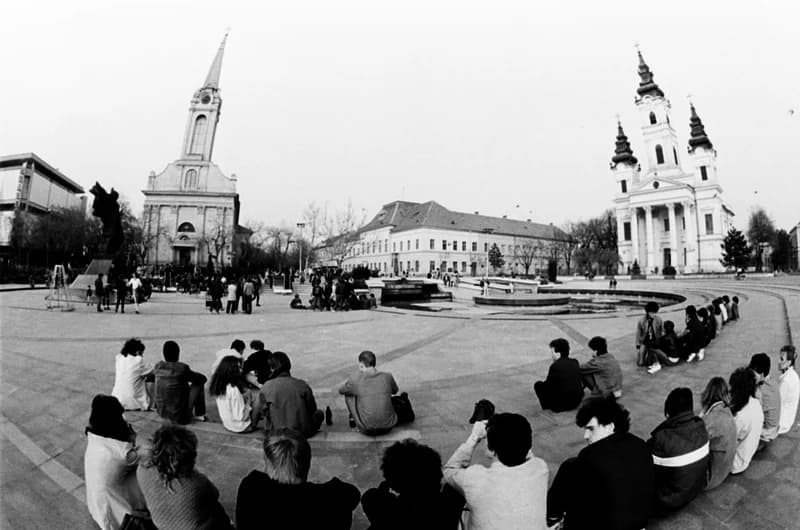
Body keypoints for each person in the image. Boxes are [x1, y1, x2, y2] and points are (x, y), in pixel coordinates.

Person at [547, 396, 654, 530]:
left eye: (591, 429)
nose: (585, 436)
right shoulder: (640, 445)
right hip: (639, 523)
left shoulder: (589, 457)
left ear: (610, 427)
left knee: (569, 468)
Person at [236, 429, 360, 530]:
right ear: (308, 463)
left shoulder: (252, 486)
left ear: (268, 463)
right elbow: (352, 493)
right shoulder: (328, 499)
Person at [444, 413, 548, 530]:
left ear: (491, 450)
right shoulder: (540, 468)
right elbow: (526, 449)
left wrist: (474, 437)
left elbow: (449, 469)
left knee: (451, 489)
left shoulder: (476, 478)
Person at [137, 425, 233, 530]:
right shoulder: (197, 483)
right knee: (216, 508)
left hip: (162, 526)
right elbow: (215, 494)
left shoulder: (142, 471)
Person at [362, 439, 465, 530]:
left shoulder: (388, 513)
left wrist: (382, 491)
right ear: (437, 475)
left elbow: (369, 499)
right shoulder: (450, 505)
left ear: (393, 484)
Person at [84, 395, 148, 530]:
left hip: (96, 504)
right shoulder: (122, 454)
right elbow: (150, 451)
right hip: (116, 517)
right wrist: (134, 435)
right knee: (146, 470)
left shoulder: (94, 436)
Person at [647, 387, 709, 513]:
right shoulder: (701, 427)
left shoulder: (662, 439)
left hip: (668, 501)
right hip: (694, 490)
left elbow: (647, 467)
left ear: (668, 413)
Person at [259, 352, 324, 437]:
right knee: (320, 413)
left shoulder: (266, 386)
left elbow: (263, 411)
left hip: (277, 432)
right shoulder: (302, 385)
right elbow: (312, 409)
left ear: (272, 369)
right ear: (289, 366)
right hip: (302, 432)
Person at [338, 351, 405, 434]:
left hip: (366, 428)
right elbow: (395, 391)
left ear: (361, 365)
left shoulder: (356, 379)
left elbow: (341, 390)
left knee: (349, 394)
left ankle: (354, 418)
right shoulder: (388, 376)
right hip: (389, 426)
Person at [152, 341, 207, 424]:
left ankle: (155, 405)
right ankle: (199, 414)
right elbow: (202, 378)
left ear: (164, 354)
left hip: (162, 414)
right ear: (178, 353)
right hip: (180, 417)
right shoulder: (182, 368)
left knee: (155, 381)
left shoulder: (158, 366)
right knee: (198, 383)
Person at [699, 377, 737, 489]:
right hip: (724, 471)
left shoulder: (710, 420)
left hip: (710, 479)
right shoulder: (727, 411)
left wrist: (701, 418)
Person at [209, 355, 261, 433]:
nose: (241, 370)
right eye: (239, 368)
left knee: (246, 396)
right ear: (231, 370)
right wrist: (249, 402)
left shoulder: (219, 385)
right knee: (260, 399)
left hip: (228, 424)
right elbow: (243, 417)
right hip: (242, 427)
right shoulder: (233, 390)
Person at [533, 338, 584, 412]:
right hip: (577, 401)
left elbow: (548, 386)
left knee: (538, 385)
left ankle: (547, 407)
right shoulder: (575, 361)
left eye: (552, 353)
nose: (551, 355)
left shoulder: (555, 366)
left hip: (561, 405)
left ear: (558, 354)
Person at [729, 367, 763, 474]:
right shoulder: (755, 403)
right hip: (746, 454)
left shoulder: (740, 417)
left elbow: (728, 441)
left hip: (735, 463)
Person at [111, 338, 154, 411]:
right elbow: (149, 372)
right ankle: (152, 402)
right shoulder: (138, 360)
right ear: (138, 352)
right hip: (134, 403)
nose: (142, 356)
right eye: (141, 353)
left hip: (117, 400)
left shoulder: (119, 358)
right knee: (151, 377)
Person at [749, 353, 781, 445]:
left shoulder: (760, 392)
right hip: (774, 428)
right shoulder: (773, 382)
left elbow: (756, 414)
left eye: (753, 373)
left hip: (766, 433)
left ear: (762, 375)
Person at [778, 345, 799, 434]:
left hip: (782, 424)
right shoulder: (793, 375)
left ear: (789, 362)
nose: (778, 361)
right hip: (788, 419)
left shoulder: (786, 381)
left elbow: (777, 403)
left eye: (782, 359)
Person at [635, 301, 663, 367]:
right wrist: (637, 344)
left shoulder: (659, 320)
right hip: (645, 341)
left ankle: (653, 357)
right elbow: (638, 332)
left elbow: (662, 331)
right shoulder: (641, 320)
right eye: (652, 313)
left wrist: (660, 343)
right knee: (640, 363)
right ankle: (642, 356)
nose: (654, 314)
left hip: (654, 342)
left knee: (649, 363)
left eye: (655, 312)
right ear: (648, 312)